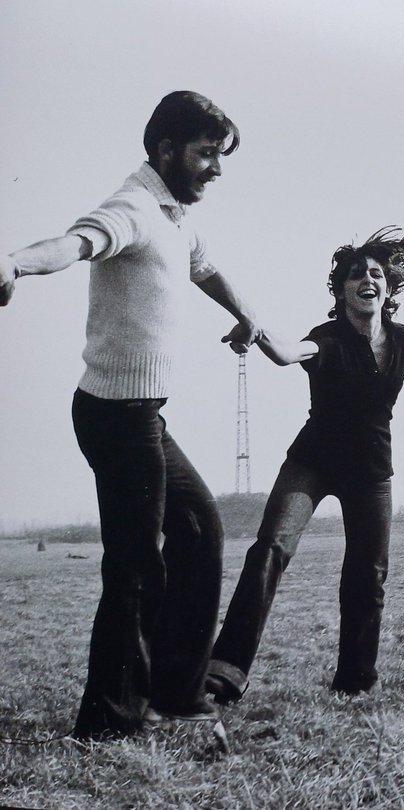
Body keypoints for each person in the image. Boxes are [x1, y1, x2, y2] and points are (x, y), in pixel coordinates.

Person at [0, 91, 261, 739]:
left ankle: (175, 688)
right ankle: (111, 718)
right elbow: (72, 243)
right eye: (206, 154)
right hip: (116, 417)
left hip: (143, 415)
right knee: (137, 565)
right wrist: (11, 263)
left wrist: (245, 314)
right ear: (166, 150)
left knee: (200, 530)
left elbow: (205, 266)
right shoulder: (135, 208)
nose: (216, 169)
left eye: (220, 156)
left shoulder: (177, 214)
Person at [205, 223, 404, 703]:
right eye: (355, 275)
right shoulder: (327, 337)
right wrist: (256, 330)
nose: (367, 280)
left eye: (375, 274)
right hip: (312, 463)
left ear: (387, 288)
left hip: (370, 471)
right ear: (342, 290)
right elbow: (288, 354)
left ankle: (355, 680)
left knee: (368, 573)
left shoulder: (403, 339)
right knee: (270, 549)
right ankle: (226, 668)